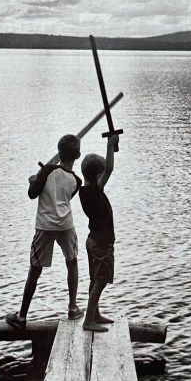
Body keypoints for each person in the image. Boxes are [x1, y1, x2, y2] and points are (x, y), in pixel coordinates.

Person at [5, 134, 83, 329]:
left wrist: (33, 180)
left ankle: (22, 316)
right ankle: (72, 308)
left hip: (45, 225)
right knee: (72, 262)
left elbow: (32, 194)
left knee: (35, 268)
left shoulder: (47, 171)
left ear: (59, 153)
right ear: (78, 155)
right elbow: (66, 196)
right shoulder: (77, 181)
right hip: (65, 225)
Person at [77, 133, 119, 332]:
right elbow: (109, 169)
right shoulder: (94, 192)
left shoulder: (85, 191)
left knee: (94, 279)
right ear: (97, 177)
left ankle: (94, 314)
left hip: (92, 240)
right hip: (101, 243)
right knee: (101, 280)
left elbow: (105, 170)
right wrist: (110, 145)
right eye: (101, 175)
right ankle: (88, 321)